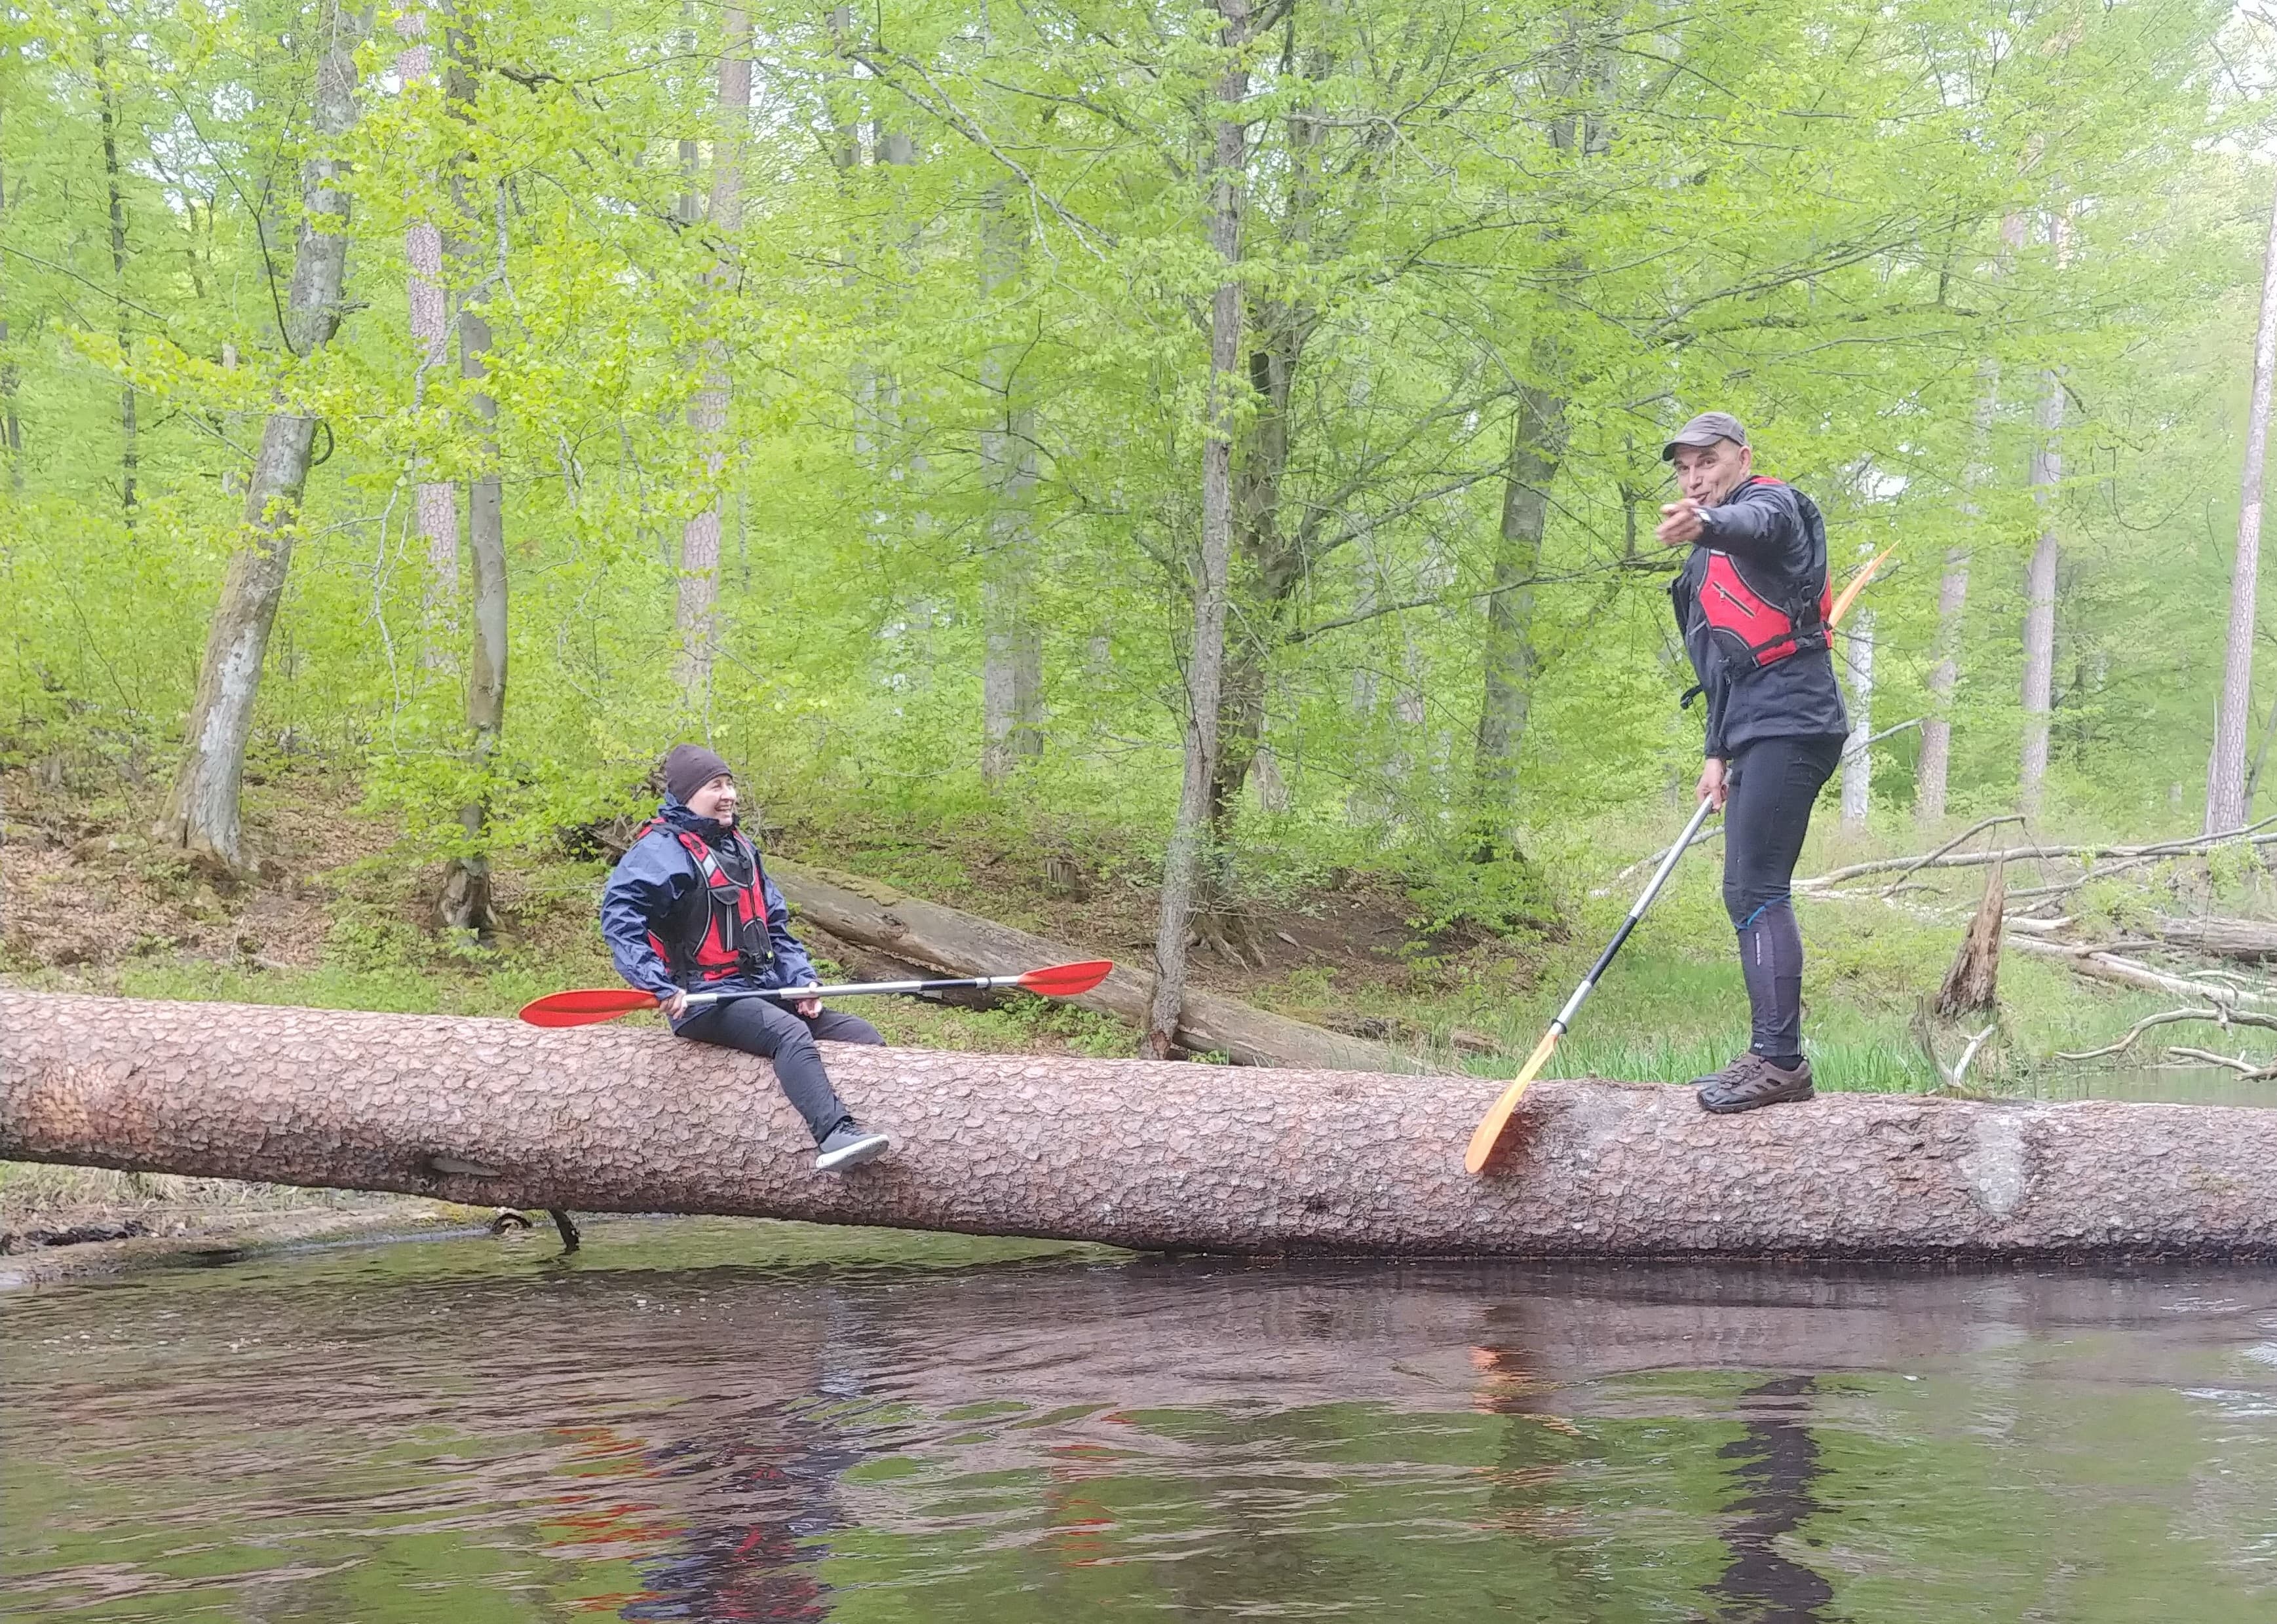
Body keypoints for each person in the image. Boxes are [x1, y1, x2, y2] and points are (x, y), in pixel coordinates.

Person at [1656, 412, 1848, 1113]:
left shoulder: (1775, 506)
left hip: (1796, 720)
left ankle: (1779, 1061)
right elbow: (1722, 669)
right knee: (1745, 889)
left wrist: (1705, 524)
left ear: (1741, 456)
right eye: (1682, 468)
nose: (1694, 477)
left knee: (1756, 887)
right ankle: (1770, 1054)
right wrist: (1714, 750)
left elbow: (1755, 525)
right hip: (1753, 726)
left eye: (1705, 461)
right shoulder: (1702, 568)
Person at [601, 744, 893, 1171]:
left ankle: (883, 1128)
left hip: (761, 988)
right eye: (715, 786)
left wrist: (801, 980)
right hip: (704, 1000)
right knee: (788, 1033)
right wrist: (657, 983)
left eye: (729, 783)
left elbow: (775, 925)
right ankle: (834, 1136)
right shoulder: (661, 852)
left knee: (862, 1034)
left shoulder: (738, 846)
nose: (729, 794)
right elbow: (620, 920)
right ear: (686, 795)